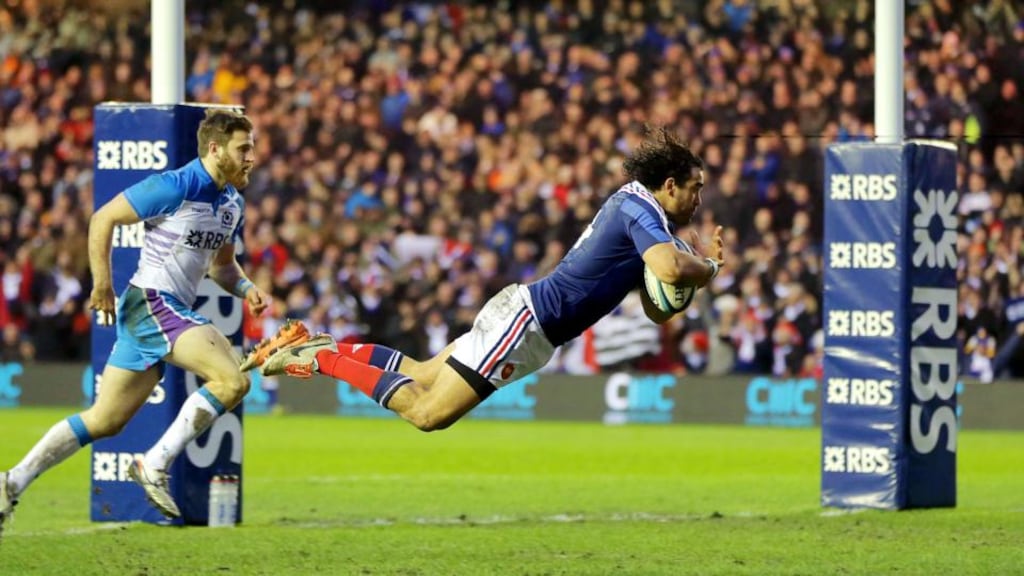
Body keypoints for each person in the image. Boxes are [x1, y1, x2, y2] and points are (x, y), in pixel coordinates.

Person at [242, 126, 723, 432]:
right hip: (529, 323)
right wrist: (708, 268)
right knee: (427, 413)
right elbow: (669, 270)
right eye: (696, 189)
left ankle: (322, 345)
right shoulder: (641, 208)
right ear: (671, 185)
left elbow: (658, 306)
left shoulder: (649, 223)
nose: (699, 200)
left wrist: (688, 278)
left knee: (421, 372)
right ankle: (323, 358)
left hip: (528, 323)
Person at [0, 109, 270, 536]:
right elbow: (103, 218)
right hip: (151, 303)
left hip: (155, 313)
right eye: (244, 148)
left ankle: (11, 480)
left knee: (105, 420)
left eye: (252, 147)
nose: (252, 157)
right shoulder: (176, 185)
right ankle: (154, 463)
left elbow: (222, 267)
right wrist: (102, 284)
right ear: (215, 149)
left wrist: (246, 289)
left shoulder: (231, 203)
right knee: (232, 381)